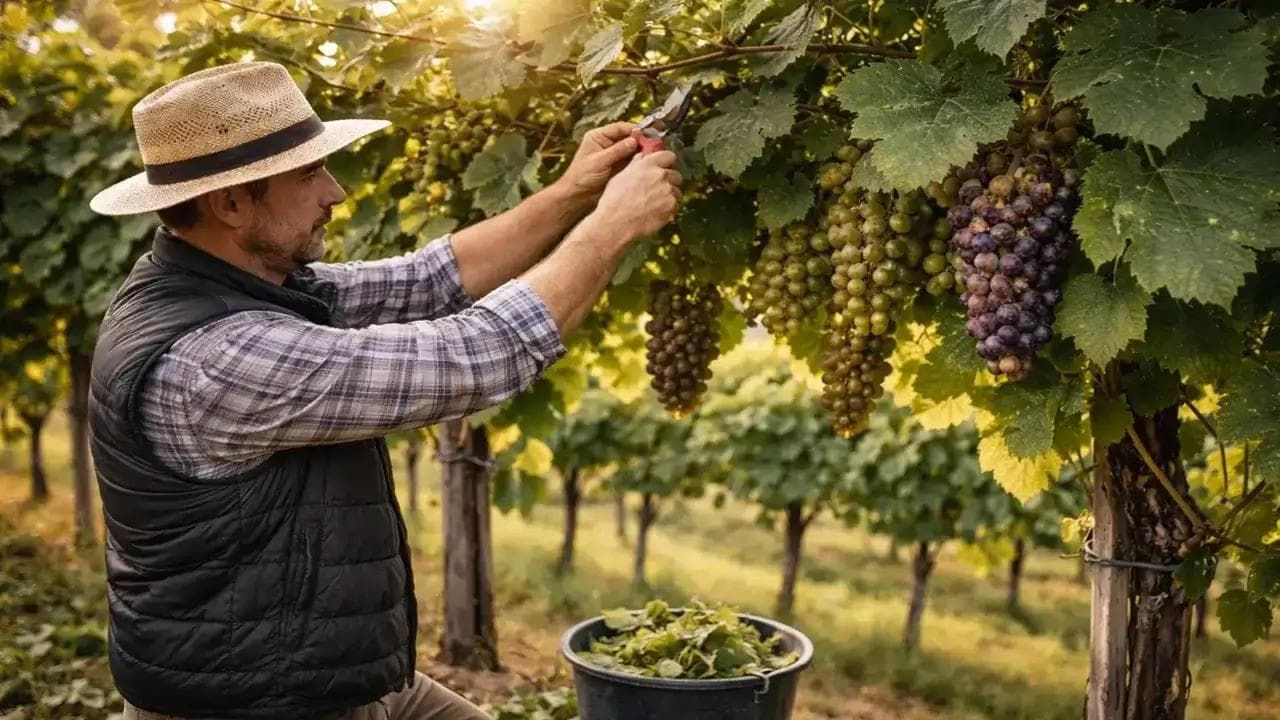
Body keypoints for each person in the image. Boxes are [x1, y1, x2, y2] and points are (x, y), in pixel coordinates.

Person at [86, 61, 681, 720]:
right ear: (230, 203)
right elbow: (478, 357)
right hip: (247, 703)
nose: (335, 191)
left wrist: (574, 193)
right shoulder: (218, 358)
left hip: (323, 681)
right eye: (308, 173)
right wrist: (612, 229)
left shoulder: (243, 280)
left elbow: (425, 280)